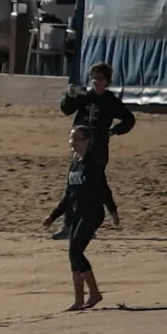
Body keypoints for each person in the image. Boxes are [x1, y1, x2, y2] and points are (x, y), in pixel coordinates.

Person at [42, 126, 119, 311]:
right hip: (77, 213)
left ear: (86, 141)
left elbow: (104, 190)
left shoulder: (93, 164)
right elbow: (68, 196)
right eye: (71, 139)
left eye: (76, 139)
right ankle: (78, 301)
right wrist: (53, 217)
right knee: (72, 256)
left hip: (92, 213)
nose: (72, 143)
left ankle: (94, 293)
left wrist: (113, 212)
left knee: (77, 252)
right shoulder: (75, 164)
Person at [56, 62, 136, 238]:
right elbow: (66, 110)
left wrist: (113, 131)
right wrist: (69, 97)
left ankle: (87, 226)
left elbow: (129, 120)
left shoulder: (111, 101)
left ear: (107, 81)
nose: (95, 82)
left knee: (93, 187)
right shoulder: (84, 97)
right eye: (93, 78)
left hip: (98, 149)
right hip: (79, 147)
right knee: (74, 185)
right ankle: (69, 225)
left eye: (99, 79)